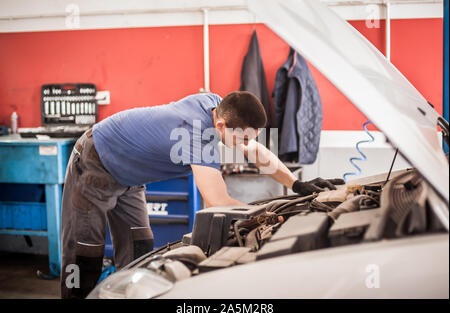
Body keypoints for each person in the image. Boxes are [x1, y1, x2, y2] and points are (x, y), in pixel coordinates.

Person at [60, 90, 343, 298]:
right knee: (83, 257)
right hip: (95, 162)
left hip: (130, 177)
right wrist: (272, 216)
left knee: (139, 252)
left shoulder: (216, 105)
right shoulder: (196, 133)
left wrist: (295, 185)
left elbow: (254, 150)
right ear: (221, 126)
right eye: (242, 137)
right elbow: (217, 203)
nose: (245, 145)